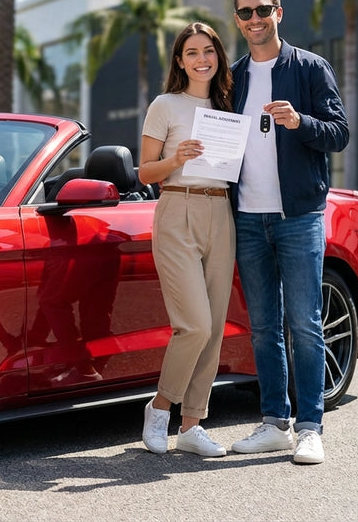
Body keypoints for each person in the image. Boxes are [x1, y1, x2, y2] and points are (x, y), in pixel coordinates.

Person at [227, 0, 349, 465]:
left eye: (262, 10)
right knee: (263, 327)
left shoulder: (310, 68)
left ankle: (310, 427)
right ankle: (274, 422)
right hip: (249, 218)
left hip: (298, 215)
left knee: (304, 323)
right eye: (245, 13)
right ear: (237, 20)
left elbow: (339, 133)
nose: (254, 19)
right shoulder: (232, 77)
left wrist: (300, 122)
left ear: (279, 13)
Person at [138, 22, 235, 457]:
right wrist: (175, 158)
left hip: (222, 211)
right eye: (192, 52)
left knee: (213, 328)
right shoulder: (165, 105)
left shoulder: (230, 104)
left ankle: (193, 425)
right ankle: (159, 409)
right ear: (180, 61)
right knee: (193, 323)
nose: (202, 59)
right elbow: (144, 172)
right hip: (177, 209)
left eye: (208, 51)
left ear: (218, 56)